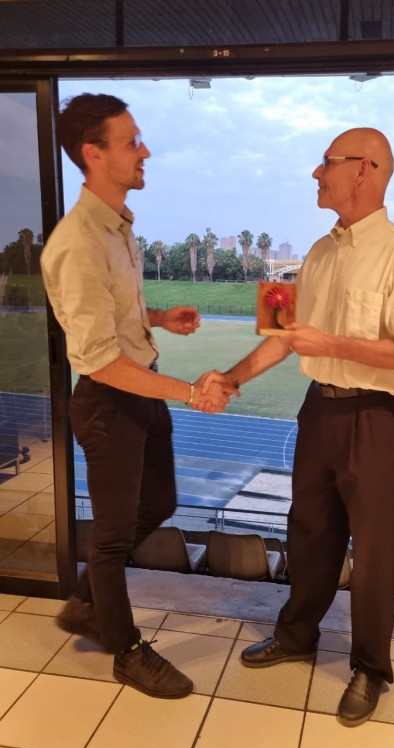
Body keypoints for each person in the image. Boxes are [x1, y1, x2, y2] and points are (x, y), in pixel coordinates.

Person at [222, 127, 394, 727]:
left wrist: (333, 343)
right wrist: (232, 378)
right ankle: (297, 636)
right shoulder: (319, 253)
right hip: (319, 407)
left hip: (379, 417)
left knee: (375, 549)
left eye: (326, 163)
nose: (316, 174)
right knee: (309, 530)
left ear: (364, 168)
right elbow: (286, 336)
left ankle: (370, 668)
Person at [41, 93, 238, 700]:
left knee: (160, 503)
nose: (144, 151)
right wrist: (190, 392)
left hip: (138, 392)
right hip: (109, 402)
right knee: (111, 537)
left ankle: (86, 602)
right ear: (94, 153)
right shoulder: (77, 242)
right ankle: (126, 652)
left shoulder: (117, 225)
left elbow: (110, 315)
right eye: (131, 142)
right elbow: (100, 358)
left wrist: (157, 317)